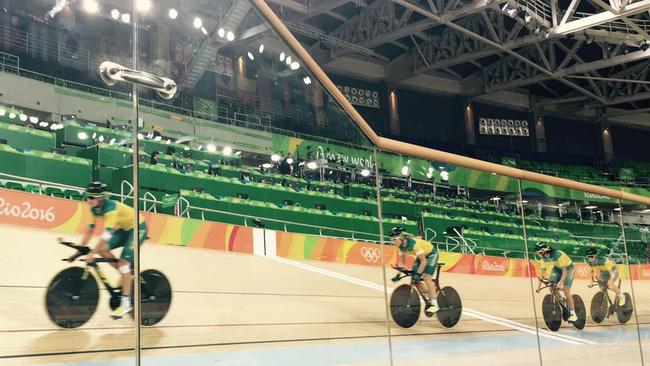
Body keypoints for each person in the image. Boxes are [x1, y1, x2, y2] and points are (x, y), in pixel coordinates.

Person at [79, 182, 147, 319]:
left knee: (123, 263)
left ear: (101, 198)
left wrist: (91, 253)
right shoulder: (94, 209)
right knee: (102, 250)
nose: (88, 200)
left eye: (91, 197)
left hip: (138, 228)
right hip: (124, 229)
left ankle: (126, 303)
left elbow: (106, 234)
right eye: (87, 197)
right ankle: (126, 275)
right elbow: (90, 230)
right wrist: (79, 249)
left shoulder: (110, 207)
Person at [389, 227, 439, 316]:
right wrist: (398, 274)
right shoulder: (400, 246)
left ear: (401, 238)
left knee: (426, 277)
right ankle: (429, 294)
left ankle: (435, 304)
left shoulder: (414, 244)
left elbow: (424, 262)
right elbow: (402, 262)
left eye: (394, 239)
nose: (393, 242)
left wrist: (418, 274)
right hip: (421, 256)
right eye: (391, 240)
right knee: (414, 279)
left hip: (431, 254)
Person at [535, 242, 577, 322]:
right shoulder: (544, 258)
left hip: (568, 268)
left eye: (538, 252)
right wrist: (538, 287)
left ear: (543, 252)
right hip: (557, 268)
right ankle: (562, 300)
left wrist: (560, 283)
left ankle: (573, 314)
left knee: (566, 289)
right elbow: (542, 274)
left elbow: (564, 271)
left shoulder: (558, 255)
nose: (537, 253)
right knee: (551, 285)